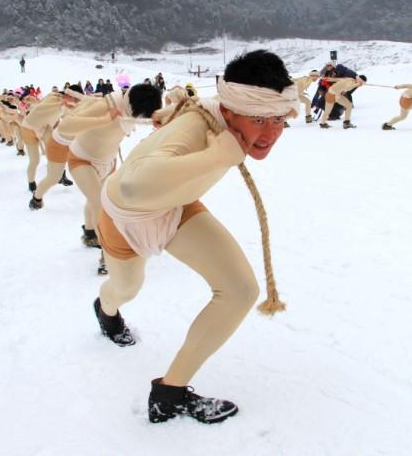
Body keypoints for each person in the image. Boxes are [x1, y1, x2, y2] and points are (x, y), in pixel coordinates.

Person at [93, 49, 297, 424]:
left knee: (240, 291)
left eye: (280, 120)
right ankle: (105, 310)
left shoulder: (222, 115)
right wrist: (215, 158)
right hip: (125, 215)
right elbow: (136, 187)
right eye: (258, 119)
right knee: (126, 289)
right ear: (231, 108)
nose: (270, 133)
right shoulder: (195, 128)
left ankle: (169, 392)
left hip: (177, 204)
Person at [57, 83, 162, 271]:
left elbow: (142, 119)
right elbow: (67, 124)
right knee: (101, 204)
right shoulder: (109, 104)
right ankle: (107, 255)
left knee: (96, 199)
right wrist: (104, 119)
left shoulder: (132, 112)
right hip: (82, 159)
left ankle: (90, 233)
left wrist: (159, 120)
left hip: (108, 161)